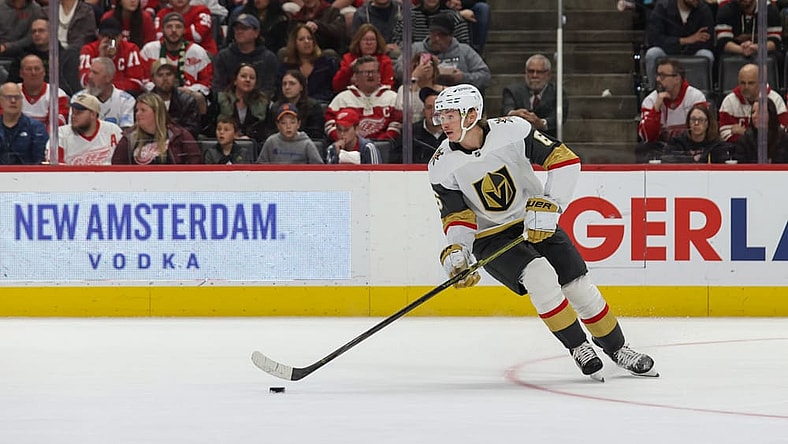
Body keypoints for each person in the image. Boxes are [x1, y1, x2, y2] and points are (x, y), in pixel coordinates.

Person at [427, 84, 658, 380]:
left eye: (450, 115)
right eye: (440, 116)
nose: (443, 123)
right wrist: (459, 251)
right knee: (539, 277)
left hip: (534, 220)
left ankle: (618, 348)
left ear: (472, 114)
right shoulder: (440, 165)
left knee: (578, 286)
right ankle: (578, 347)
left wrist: (551, 204)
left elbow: (565, 160)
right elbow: (457, 216)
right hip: (491, 236)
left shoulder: (513, 131)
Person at [140, 12, 212, 112]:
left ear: (184, 30)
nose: (174, 30)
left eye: (178, 27)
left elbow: (206, 84)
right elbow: (142, 79)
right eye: (169, 27)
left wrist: (189, 90)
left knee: (199, 97)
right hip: (156, 96)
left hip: (187, 97)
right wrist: (160, 88)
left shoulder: (197, 51)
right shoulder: (149, 49)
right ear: (162, 30)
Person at [400, 12, 491, 92]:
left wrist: (463, 77)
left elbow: (485, 76)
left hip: (456, 98)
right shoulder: (416, 48)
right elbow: (397, 70)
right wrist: (414, 72)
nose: (437, 38)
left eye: (442, 35)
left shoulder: (464, 50)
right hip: (422, 96)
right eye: (433, 33)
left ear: (451, 35)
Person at [324, 55, 402, 144]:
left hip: (384, 149)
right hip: (349, 149)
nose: (370, 75)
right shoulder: (342, 99)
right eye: (366, 72)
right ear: (356, 77)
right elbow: (330, 125)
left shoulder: (393, 98)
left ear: (379, 75)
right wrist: (351, 142)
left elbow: (397, 125)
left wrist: (380, 143)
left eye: (374, 72)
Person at [112, 92, 202, 164]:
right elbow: (118, 166)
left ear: (157, 112)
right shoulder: (129, 138)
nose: (138, 114)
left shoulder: (179, 135)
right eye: (137, 110)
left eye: (143, 110)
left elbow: (195, 161)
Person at [637, 58, 707, 151]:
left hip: (689, 148)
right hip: (661, 150)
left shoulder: (696, 98)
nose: (658, 79)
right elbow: (647, 137)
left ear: (677, 79)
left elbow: (702, 130)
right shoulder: (650, 100)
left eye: (663, 76)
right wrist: (656, 109)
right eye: (657, 75)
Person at [644, 0, 715, 90]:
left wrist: (686, 46)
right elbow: (654, 38)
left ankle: (702, 94)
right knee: (652, 53)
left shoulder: (704, 10)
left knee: (706, 55)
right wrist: (685, 40)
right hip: (667, 52)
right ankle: (653, 92)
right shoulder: (662, 7)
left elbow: (707, 41)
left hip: (693, 53)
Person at [6, 17, 81, 96]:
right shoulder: (22, 57)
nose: (37, 34)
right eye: (34, 31)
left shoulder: (67, 57)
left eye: (41, 31)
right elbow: (11, 85)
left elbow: (73, 86)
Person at [212, 13, 279, 98]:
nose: (239, 31)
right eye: (237, 28)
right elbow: (218, 86)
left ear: (256, 32)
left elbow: (269, 87)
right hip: (228, 103)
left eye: (244, 28)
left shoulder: (268, 58)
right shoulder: (224, 56)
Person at [718, 63, 788, 143]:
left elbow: (783, 131)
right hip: (738, 151)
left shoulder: (775, 99)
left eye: (751, 83)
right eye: (743, 83)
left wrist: (745, 133)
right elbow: (724, 133)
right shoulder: (729, 101)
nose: (746, 87)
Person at [502, 54, 568, 138]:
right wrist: (514, 114)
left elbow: (559, 117)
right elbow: (506, 110)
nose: (534, 75)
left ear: (548, 74)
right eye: (531, 71)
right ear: (526, 72)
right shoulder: (512, 91)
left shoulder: (557, 92)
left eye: (539, 72)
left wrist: (541, 123)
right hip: (519, 138)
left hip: (547, 139)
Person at [79, 17, 145, 96]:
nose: (110, 41)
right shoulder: (89, 49)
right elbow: (84, 81)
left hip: (123, 95)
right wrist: (101, 58)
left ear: (120, 36)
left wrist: (109, 88)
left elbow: (136, 82)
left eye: (114, 37)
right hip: (95, 95)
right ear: (99, 36)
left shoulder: (131, 49)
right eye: (105, 36)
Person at [56, 93, 123, 165]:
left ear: (93, 115)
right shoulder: (61, 134)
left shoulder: (113, 131)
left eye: (79, 113)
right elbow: (55, 168)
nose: (73, 116)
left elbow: (124, 162)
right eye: (73, 112)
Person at [280, 23, 339, 103]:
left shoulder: (326, 63)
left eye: (310, 38)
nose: (307, 42)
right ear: (294, 43)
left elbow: (334, 90)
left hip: (323, 104)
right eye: (301, 39)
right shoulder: (286, 67)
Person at [75, 57, 137, 129]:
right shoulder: (78, 99)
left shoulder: (126, 101)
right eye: (90, 71)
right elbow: (75, 130)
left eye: (95, 73)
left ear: (108, 78)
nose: (90, 76)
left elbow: (126, 132)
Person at [332, 23, 394, 93]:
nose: (369, 43)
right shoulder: (348, 59)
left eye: (372, 40)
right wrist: (349, 69)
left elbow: (388, 87)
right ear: (358, 42)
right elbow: (337, 86)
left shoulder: (385, 61)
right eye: (365, 40)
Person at [148, 59, 201, 138]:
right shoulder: (145, 102)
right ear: (153, 79)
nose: (165, 78)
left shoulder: (187, 101)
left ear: (174, 77)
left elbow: (192, 130)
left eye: (169, 74)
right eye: (160, 75)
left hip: (180, 145)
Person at [218, 63, 270, 143]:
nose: (248, 80)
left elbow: (266, 130)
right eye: (243, 76)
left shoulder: (263, 102)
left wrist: (250, 138)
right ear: (235, 80)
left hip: (254, 146)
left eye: (252, 78)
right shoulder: (221, 99)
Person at [16, 55, 70, 132]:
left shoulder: (57, 94)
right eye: (28, 69)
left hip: (46, 140)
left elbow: (58, 124)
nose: (33, 73)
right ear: (21, 73)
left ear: (44, 72)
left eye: (37, 69)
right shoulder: (11, 92)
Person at [269, 69, 326, 141]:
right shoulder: (275, 108)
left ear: (301, 87)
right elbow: (269, 132)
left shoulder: (313, 106)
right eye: (284, 84)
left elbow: (316, 134)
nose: (287, 87)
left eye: (292, 83)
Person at [257, 103, 324, 163]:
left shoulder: (306, 144)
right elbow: (261, 165)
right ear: (278, 125)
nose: (288, 126)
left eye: (292, 122)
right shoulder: (271, 142)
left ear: (298, 124)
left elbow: (319, 168)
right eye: (283, 123)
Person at [664, 103, 732, 163]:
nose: (696, 123)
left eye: (701, 120)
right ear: (689, 122)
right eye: (693, 119)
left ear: (707, 123)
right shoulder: (677, 142)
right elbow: (668, 158)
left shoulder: (717, 145)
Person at [0, 82, 47, 165]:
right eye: (9, 97)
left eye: (17, 97)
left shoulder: (36, 128)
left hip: (29, 175)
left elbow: (40, 162)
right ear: (1, 100)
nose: (13, 101)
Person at [715, 0, 782, 58]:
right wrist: (742, 50)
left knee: (777, 56)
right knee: (720, 56)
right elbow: (723, 42)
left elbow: (775, 41)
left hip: (762, 50)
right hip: (734, 50)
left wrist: (756, 48)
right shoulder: (726, 10)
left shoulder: (770, 10)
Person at [391, 0, 470, 47]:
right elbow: (397, 41)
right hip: (416, 59)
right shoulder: (409, 16)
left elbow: (464, 45)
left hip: (448, 60)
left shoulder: (454, 17)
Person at [733, 99, 788, 163]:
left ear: (770, 114)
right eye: (753, 112)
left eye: (760, 112)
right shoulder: (744, 141)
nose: (754, 116)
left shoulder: (784, 139)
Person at [396, 52, 444, 124]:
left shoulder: (444, 91)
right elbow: (401, 113)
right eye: (421, 64)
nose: (426, 67)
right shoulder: (404, 90)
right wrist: (414, 78)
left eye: (430, 63)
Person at [411, 86, 445, 163]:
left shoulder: (455, 132)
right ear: (423, 111)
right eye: (429, 107)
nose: (434, 112)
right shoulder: (410, 133)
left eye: (438, 108)